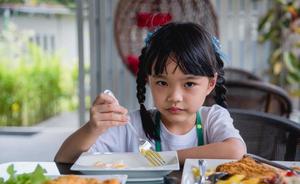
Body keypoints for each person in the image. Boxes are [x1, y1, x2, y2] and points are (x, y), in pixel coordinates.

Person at [55, 22, 246, 164]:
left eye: (189, 84)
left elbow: (235, 151)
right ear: (149, 80)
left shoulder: (212, 119)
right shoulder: (130, 126)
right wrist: (92, 128)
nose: (175, 97)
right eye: (162, 82)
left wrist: (162, 160)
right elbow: (64, 159)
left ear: (210, 84)